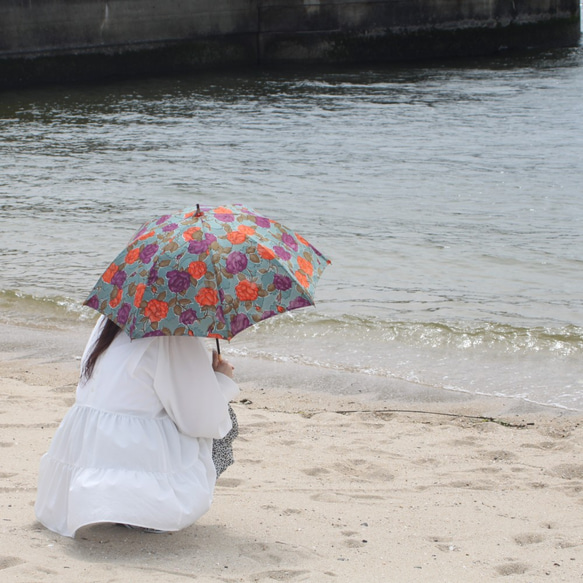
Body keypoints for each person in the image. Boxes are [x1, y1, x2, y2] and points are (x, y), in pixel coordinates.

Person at [34, 315, 239, 538]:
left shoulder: (109, 321)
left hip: (89, 452)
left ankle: (121, 504)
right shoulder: (174, 334)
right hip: (136, 460)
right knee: (226, 420)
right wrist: (221, 381)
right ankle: (144, 514)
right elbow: (200, 420)